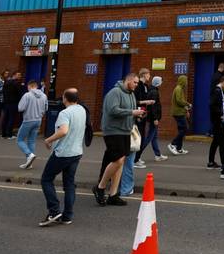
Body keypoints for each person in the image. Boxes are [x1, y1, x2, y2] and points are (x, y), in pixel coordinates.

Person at [94, 73, 145, 207]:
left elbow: (130, 111)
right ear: (128, 80)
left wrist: (137, 116)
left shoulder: (131, 94)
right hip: (113, 130)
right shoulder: (115, 92)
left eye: (137, 83)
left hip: (125, 130)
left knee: (120, 162)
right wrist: (132, 112)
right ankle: (100, 187)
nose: (136, 85)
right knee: (118, 160)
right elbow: (113, 110)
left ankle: (113, 194)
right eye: (135, 82)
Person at [39, 88, 85, 227]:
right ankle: (67, 216)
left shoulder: (65, 113)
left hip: (63, 153)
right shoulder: (81, 110)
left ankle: (54, 211)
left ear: (65, 98)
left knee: (46, 179)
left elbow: (63, 131)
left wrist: (48, 140)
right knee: (69, 184)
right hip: (76, 152)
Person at [17, 79, 46, 169]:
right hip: (38, 120)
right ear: (36, 86)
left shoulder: (27, 95)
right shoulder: (44, 95)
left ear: (29, 86)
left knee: (20, 140)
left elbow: (20, 108)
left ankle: (29, 154)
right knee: (32, 141)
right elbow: (45, 109)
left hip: (28, 120)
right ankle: (29, 163)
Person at [207, 75, 224, 169]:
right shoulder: (217, 91)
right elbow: (212, 105)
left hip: (219, 120)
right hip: (218, 120)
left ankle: (211, 162)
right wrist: (221, 114)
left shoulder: (221, 91)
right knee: (223, 142)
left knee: (216, 141)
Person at [168, 75, 191, 155]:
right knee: (184, 129)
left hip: (180, 112)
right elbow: (179, 101)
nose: (186, 82)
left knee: (181, 130)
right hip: (178, 113)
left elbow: (180, 101)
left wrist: (186, 109)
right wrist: (187, 104)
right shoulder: (178, 89)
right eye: (186, 81)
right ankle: (172, 144)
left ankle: (179, 148)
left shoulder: (180, 88)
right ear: (182, 81)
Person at [1, 71, 24, 138]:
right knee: (11, 118)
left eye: (20, 75)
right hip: (13, 103)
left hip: (6, 103)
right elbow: (20, 94)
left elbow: (3, 92)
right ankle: (9, 134)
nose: (20, 76)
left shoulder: (6, 82)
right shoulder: (16, 83)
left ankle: (3, 134)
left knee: (5, 118)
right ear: (14, 75)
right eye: (18, 75)